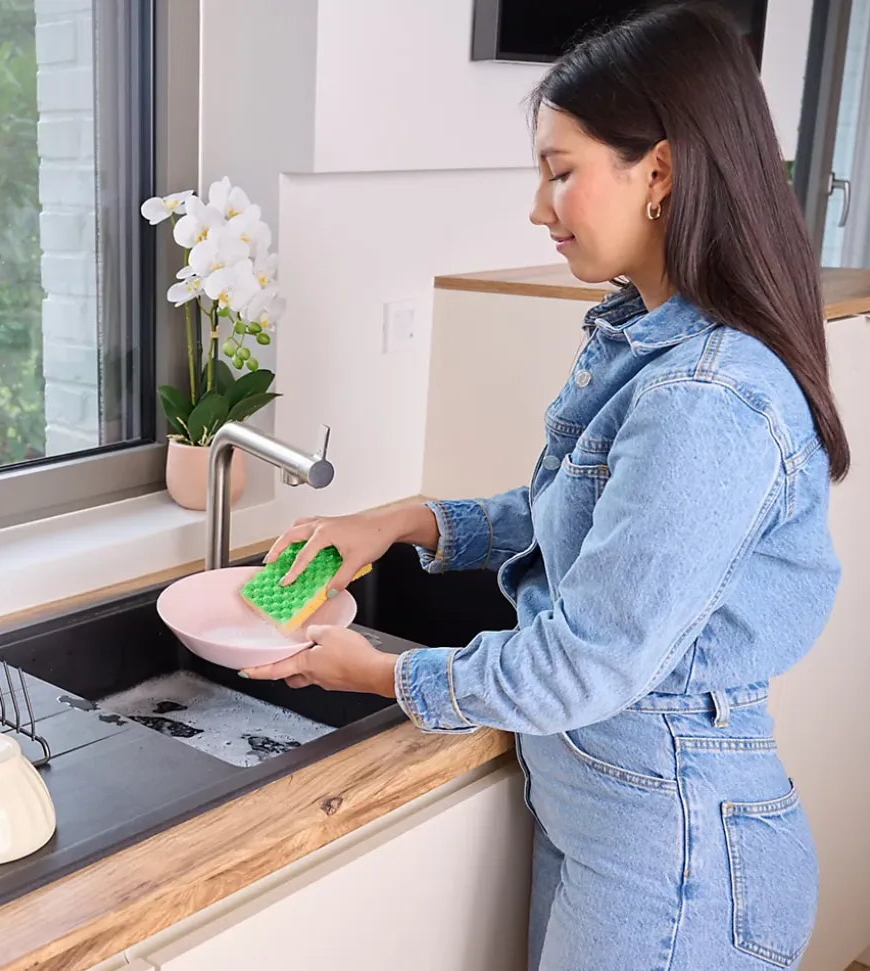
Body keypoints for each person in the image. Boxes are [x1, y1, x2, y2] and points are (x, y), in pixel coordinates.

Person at [241, 3, 848, 968]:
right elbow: (587, 516)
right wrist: (403, 519)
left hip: (674, 865)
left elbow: (583, 663)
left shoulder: (706, 397)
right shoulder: (654, 345)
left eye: (560, 172)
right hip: (621, 822)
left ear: (660, 172)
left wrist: (384, 673)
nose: (539, 207)